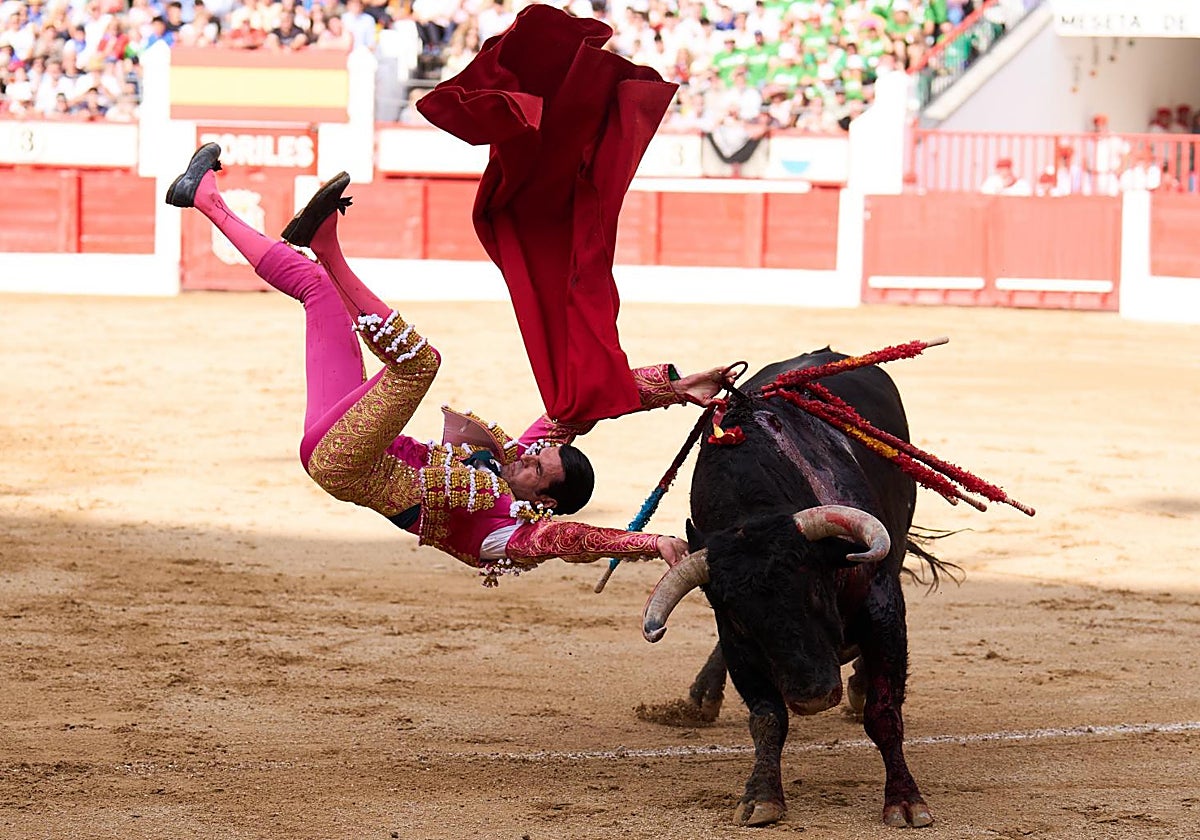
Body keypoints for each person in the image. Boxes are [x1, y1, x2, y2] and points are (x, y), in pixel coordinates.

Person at [165, 143, 734, 583]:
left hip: (347, 462)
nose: (529, 455)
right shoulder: (516, 457)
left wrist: (646, 543)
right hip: (342, 440)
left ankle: (329, 247)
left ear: (545, 503)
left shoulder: (511, 536)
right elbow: (583, 407)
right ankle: (205, 196)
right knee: (316, 290)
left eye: (539, 469)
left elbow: (573, 540)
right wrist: (675, 388)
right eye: (539, 452)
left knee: (420, 365)